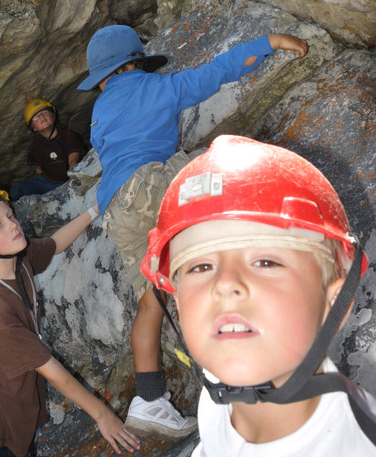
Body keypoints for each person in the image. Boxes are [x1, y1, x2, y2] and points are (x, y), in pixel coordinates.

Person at [76, 24, 308, 440]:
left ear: (103, 77)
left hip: (116, 212)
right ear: (135, 64)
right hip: (149, 185)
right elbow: (211, 74)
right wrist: (267, 43)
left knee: (152, 301)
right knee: (215, 158)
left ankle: (149, 400)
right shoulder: (153, 87)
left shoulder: (98, 113)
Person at [142, 134, 376, 455]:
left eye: (266, 262)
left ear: (334, 302)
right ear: (178, 303)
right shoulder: (218, 392)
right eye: (200, 267)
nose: (224, 283)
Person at [0, 186, 140, 457]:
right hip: (0, 423)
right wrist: (102, 415)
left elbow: (56, 244)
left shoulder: (16, 258)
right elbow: (53, 371)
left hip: (20, 402)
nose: (13, 226)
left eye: (10, 216)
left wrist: (95, 209)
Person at [9, 98, 86, 200]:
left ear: (53, 117)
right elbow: (39, 169)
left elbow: (73, 160)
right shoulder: (36, 144)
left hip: (67, 179)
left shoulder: (69, 136)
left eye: (44, 113)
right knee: (16, 191)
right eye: (36, 117)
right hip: (47, 182)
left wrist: (71, 181)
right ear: (33, 127)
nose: (41, 117)